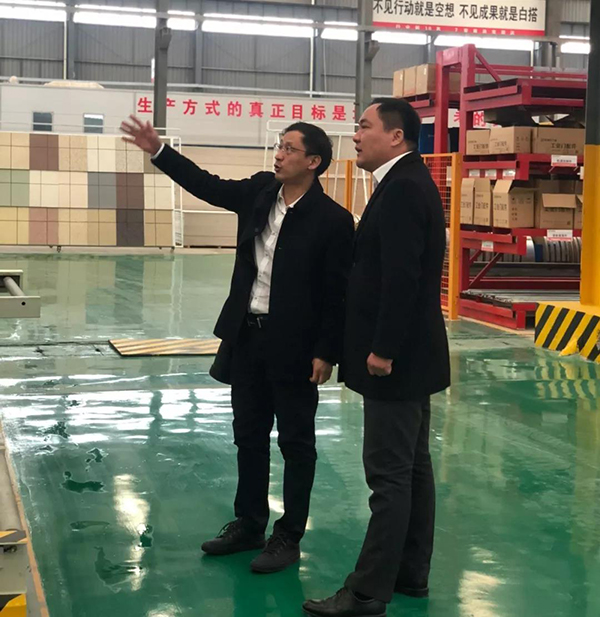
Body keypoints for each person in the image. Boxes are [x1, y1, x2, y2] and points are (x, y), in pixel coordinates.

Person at [121, 116, 354, 574]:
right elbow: (207, 185)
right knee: (248, 434)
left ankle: (288, 536)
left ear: (313, 161)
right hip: (248, 336)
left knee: (296, 443)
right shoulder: (260, 192)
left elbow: (337, 293)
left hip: (295, 346)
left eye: (289, 149)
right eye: (279, 146)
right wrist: (158, 150)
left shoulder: (333, 220)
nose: (279, 155)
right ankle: (249, 524)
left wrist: (326, 351)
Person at [303, 98, 450, 617]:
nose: (356, 135)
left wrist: (383, 349)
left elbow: (402, 278)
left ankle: (366, 592)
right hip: (414, 356)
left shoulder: (403, 187)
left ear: (396, 136)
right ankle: (410, 574)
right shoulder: (403, 182)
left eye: (364, 126)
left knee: (388, 476)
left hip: (397, 359)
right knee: (411, 470)